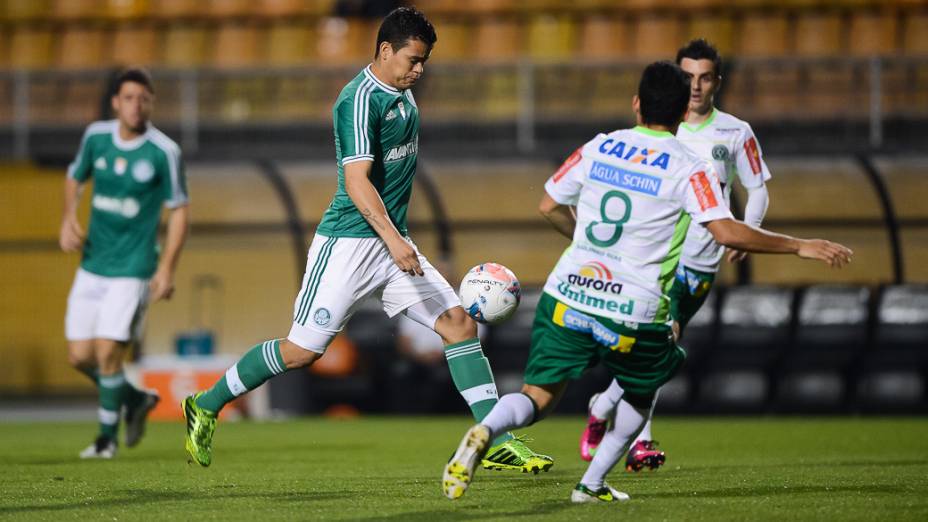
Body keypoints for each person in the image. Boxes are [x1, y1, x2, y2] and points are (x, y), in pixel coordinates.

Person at [441, 61, 852, 503]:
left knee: (536, 398)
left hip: (567, 294)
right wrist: (798, 245)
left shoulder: (601, 146)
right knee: (642, 389)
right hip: (632, 307)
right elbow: (727, 231)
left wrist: (583, 243)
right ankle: (591, 484)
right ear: (680, 114)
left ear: (636, 104)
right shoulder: (690, 167)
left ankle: (485, 430)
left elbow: (548, 204)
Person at [182, 7, 552, 473]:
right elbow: (356, 181)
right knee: (302, 351)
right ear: (384, 50)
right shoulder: (357, 100)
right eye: (412, 60)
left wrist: (398, 241)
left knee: (458, 324)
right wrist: (395, 240)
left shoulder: (403, 93)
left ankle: (496, 438)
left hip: (392, 244)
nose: (419, 70)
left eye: (424, 62)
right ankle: (206, 404)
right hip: (349, 245)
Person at [580, 38, 775, 472]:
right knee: (658, 344)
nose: (696, 86)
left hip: (703, 263)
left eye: (705, 78)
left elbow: (756, 187)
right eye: (688, 77)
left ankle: (604, 402)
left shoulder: (735, 132)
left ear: (717, 82)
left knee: (662, 347)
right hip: (659, 260)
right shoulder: (665, 126)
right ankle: (640, 442)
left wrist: (749, 232)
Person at [60, 68, 189, 459]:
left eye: (144, 98)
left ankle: (105, 439)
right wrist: (69, 218)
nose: (137, 105)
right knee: (79, 356)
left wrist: (166, 267)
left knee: (107, 353)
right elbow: (74, 177)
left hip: (133, 268)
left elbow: (179, 211)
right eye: (130, 97)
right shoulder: (96, 138)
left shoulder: (164, 151)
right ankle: (135, 400)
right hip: (93, 262)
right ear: (116, 102)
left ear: (152, 103)